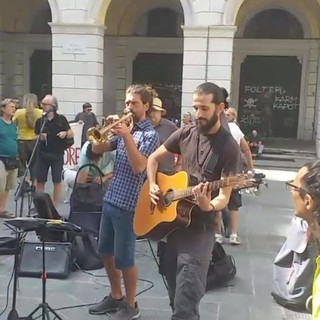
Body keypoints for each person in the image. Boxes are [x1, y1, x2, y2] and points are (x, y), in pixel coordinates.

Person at [147, 82, 240, 320]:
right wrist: (153, 186)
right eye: (195, 107)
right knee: (173, 294)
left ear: (220, 108)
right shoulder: (186, 132)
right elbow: (153, 159)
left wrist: (206, 204)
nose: (198, 114)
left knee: (186, 301)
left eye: (204, 109)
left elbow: (223, 198)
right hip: (173, 226)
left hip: (200, 231)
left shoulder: (229, 147)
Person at [89, 84, 159, 320]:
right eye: (127, 102)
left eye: (134, 103)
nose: (129, 107)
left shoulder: (150, 135)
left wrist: (127, 136)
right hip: (111, 198)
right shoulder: (123, 129)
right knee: (105, 252)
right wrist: (103, 129)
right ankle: (115, 295)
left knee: (125, 258)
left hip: (130, 205)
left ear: (146, 106)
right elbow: (97, 148)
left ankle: (131, 305)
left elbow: (139, 166)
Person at [214, 106, 255, 245]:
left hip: (218, 169)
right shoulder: (235, 129)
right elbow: (246, 149)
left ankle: (218, 234)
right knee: (233, 203)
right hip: (234, 170)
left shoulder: (217, 126)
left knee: (217, 201)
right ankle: (233, 234)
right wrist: (250, 169)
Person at [35, 95, 74, 205]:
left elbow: (71, 133)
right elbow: (34, 136)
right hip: (42, 154)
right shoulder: (40, 120)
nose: (42, 106)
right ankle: (40, 204)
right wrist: (40, 137)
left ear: (52, 106)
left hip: (57, 154)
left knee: (57, 180)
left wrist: (65, 133)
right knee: (40, 180)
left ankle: (54, 204)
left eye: (44, 104)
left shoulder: (61, 119)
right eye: (41, 103)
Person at [13, 93, 42, 181]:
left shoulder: (19, 112)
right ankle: (34, 185)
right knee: (34, 165)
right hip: (35, 141)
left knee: (22, 165)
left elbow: (13, 124)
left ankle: (24, 183)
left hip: (21, 140)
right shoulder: (40, 112)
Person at [149, 97, 179, 175]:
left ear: (160, 113)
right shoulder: (142, 127)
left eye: (155, 111)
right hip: (146, 172)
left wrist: (179, 164)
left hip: (166, 172)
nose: (152, 114)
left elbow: (183, 144)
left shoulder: (170, 126)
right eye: (150, 111)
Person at [0, 99, 18, 218]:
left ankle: (2, 209)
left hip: (12, 158)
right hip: (1, 157)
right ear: (3, 109)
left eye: (14, 107)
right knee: (0, 183)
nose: (13, 109)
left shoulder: (13, 124)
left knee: (8, 185)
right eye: (11, 107)